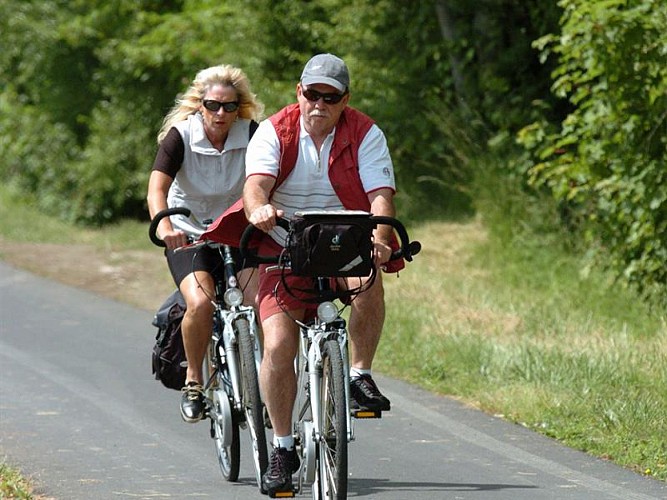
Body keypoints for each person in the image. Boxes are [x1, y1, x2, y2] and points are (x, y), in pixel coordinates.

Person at [243, 53, 401, 496]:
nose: (319, 104)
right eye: (312, 94)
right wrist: (258, 209)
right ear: (300, 92)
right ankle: (282, 447)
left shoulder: (366, 133)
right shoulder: (276, 130)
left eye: (330, 97)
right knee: (277, 345)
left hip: (344, 239)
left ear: (344, 100)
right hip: (282, 243)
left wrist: (382, 237)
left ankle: (359, 374)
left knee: (370, 275)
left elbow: (380, 196)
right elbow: (255, 184)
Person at [146, 64, 263, 423]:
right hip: (189, 231)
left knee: (259, 302)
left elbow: (271, 177)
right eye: (213, 105)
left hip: (239, 231)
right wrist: (164, 224)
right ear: (201, 106)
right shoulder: (181, 137)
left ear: (239, 107)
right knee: (200, 302)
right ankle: (194, 381)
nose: (221, 114)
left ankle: (264, 376)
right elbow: (157, 189)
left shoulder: (254, 134)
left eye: (229, 107)